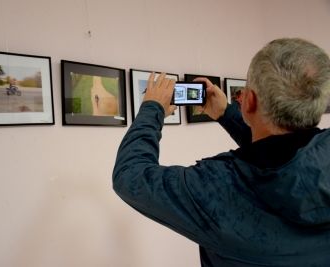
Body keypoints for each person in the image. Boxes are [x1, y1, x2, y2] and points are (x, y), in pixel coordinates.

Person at [112, 38, 330, 266]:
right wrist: (227, 114)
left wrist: (152, 108)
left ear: (249, 101)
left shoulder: (218, 187)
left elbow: (130, 176)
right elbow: (281, 156)